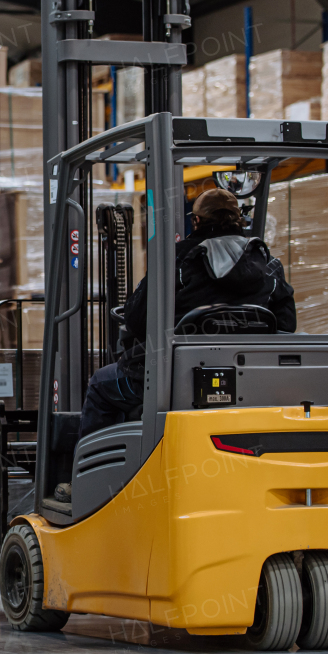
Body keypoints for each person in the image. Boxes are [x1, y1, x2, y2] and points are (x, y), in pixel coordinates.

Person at [61, 188, 296, 499]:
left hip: (175, 380)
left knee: (101, 386)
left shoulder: (177, 261)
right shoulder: (269, 266)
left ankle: (88, 486)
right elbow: (287, 327)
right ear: (239, 220)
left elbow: (136, 318)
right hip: (251, 382)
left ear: (196, 221)